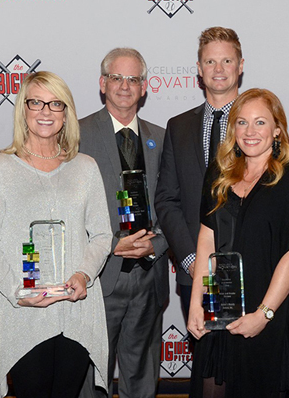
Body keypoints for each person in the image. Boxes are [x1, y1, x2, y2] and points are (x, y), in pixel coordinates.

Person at [0, 71, 112, 398]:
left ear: (66, 114)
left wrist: (84, 274)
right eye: (36, 102)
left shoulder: (85, 167)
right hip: (24, 313)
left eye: (55, 104)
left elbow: (102, 235)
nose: (45, 111)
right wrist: (16, 291)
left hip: (75, 311)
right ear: (23, 109)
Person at [187, 88, 289, 398]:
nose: (250, 132)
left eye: (260, 123)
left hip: (275, 313)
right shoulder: (219, 173)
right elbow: (206, 240)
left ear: (277, 130)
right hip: (220, 309)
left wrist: (263, 315)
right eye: (242, 122)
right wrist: (197, 303)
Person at [78, 48, 168, 398]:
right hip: (101, 277)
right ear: (103, 84)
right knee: (93, 376)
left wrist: (157, 244)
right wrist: (110, 244)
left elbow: (170, 203)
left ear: (144, 87)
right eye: (117, 78)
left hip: (149, 275)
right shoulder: (77, 134)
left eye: (133, 79)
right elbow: (68, 206)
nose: (125, 86)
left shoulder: (161, 138)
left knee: (142, 378)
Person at [156, 26, 244, 321]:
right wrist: (193, 260)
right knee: (204, 363)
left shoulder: (259, 124)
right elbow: (167, 200)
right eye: (210, 62)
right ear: (198, 69)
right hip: (193, 273)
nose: (218, 69)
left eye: (227, 61)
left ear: (240, 66)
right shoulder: (178, 127)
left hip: (249, 270)